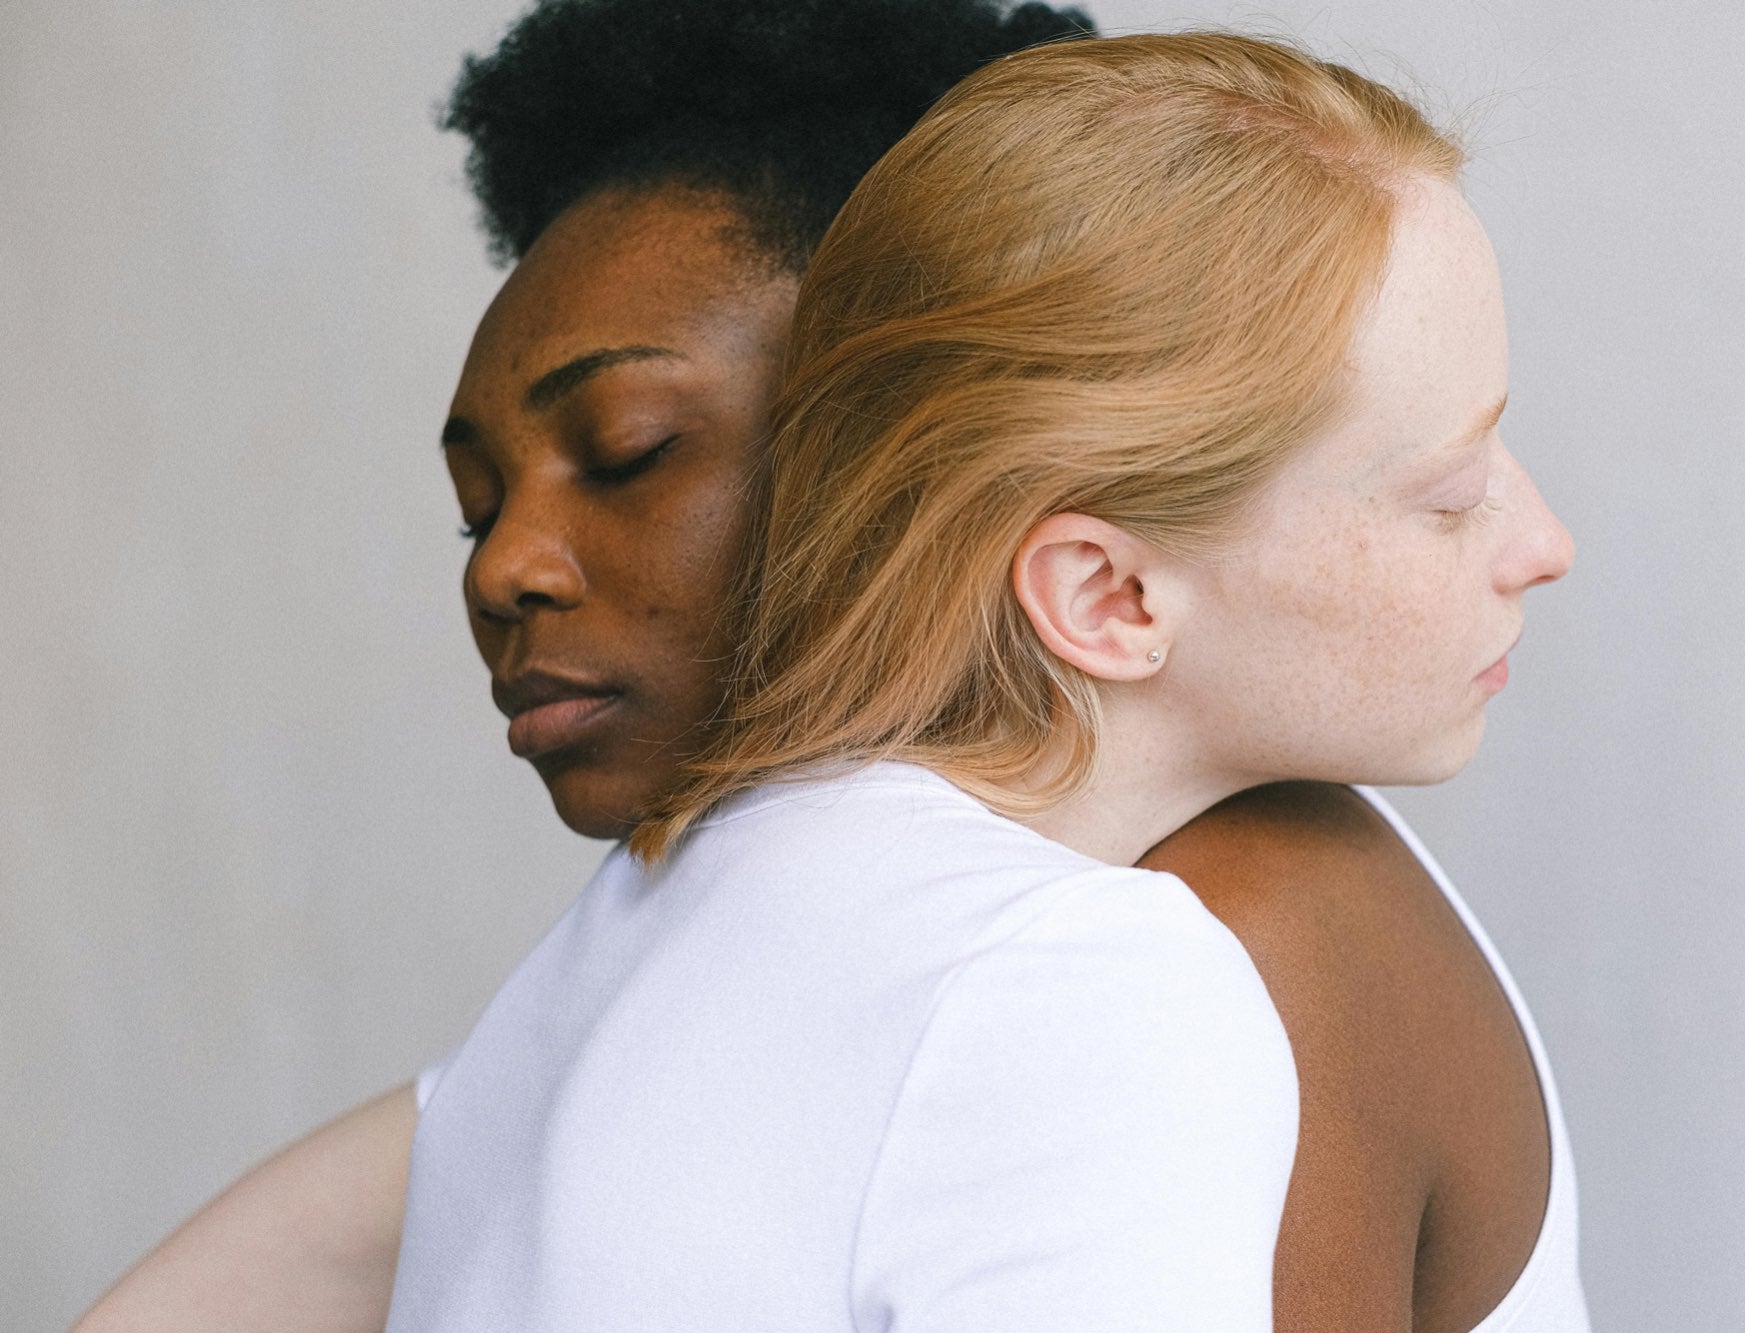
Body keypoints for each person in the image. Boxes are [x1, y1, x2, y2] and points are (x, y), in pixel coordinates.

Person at [76, 6, 1580, 1332]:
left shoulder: (658, 947)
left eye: (630, 453)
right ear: (1098, 586)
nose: (502, 568)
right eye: (475, 505)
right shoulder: (1079, 964)